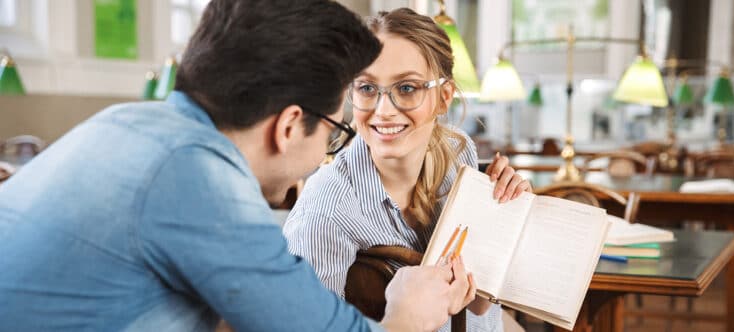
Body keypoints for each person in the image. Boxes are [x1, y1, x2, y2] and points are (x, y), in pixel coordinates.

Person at [0, 1, 477, 331]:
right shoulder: (199, 180)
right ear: (289, 126)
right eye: (337, 126)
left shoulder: (126, 120)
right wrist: (404, 318)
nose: (329, 152)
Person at [283, 8, 533, 332]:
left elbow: (479, 303)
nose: (384, 111)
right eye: (367, 88)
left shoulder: (459, 152)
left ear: (444, 98)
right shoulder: (326, 214)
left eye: (407, 88)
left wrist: (503, 221)